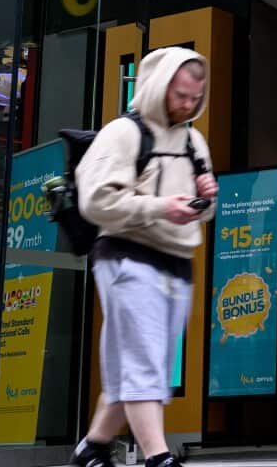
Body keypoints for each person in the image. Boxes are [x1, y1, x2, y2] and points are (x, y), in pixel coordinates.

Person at [70, 47, 217, 467]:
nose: (188, 105)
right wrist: (159, 208)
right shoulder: (122, 133)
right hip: (125, 254)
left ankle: (93, 447)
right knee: (144, 357)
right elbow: (95, 201)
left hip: (177, 258)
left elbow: (203, 210)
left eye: (195, 97)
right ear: (157, 85)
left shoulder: (193, 140)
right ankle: (158, 457)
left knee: (140, 359)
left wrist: (205, 201)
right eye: (181, 95)